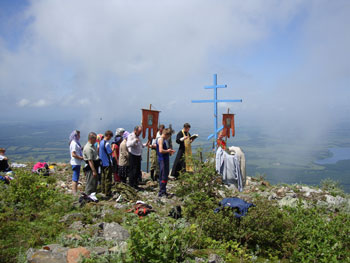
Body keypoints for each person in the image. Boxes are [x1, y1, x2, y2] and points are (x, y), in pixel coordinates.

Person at [156, 128, 176, 197]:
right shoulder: (161, 140)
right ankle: (162, 192)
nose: (168, 138)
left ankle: (163, 190)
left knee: (164, 175)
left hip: (164, 159)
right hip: (163, 159)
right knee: (164, 176)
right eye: (168, 136)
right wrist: (168, 151)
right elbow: (161, 150)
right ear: (166, 134)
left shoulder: (163, 140)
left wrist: (169, 151)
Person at [127, 126, 147, 190]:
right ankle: (131, 185)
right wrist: (134, 140)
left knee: (137, 170)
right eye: (139, 132)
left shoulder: (137, 137)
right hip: (133, 155)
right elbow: (128, 144)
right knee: (133, 170)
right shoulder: (131, 136)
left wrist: (145, 144)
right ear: (135, 130)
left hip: (138, 155)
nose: (140, 133)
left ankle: (136, 184)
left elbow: (140, 145)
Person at [99, 130, 114, 197]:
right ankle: (107, 192)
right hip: (107, 163)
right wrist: (113, 149)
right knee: (108, 178)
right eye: (110, 137)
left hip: (102, 162)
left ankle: (103, 190)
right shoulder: (107, 143)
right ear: (108, 136)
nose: (110, 138)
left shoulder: (101, 142)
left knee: (103, 177)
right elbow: (110, 152)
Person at [69, 130, 84, 195]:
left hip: (76, 162)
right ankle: (74, 192)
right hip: (75, 162)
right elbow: (73, 154)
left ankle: (75, 191)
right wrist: (81, 158)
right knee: (75, 178)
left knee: (76, 177)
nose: (79, 136)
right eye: (78, 135)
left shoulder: (75, 142)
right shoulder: (74, 143)